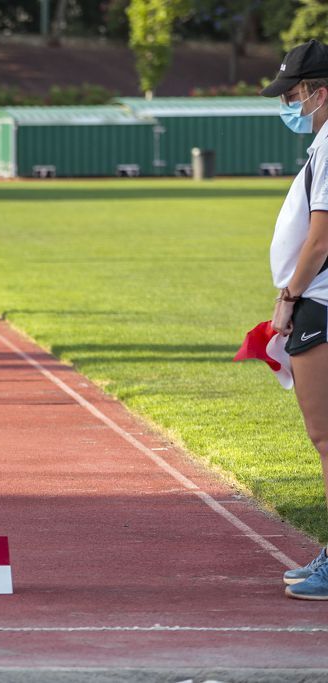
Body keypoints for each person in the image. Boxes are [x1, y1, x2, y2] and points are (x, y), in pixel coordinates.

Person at [261, 40, 328, 600]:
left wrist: (289, 296)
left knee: (325, 437)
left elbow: (321, 237)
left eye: (294, 94)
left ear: (320, 92)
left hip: (322, 304)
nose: (289, 103)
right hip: (319, 302)